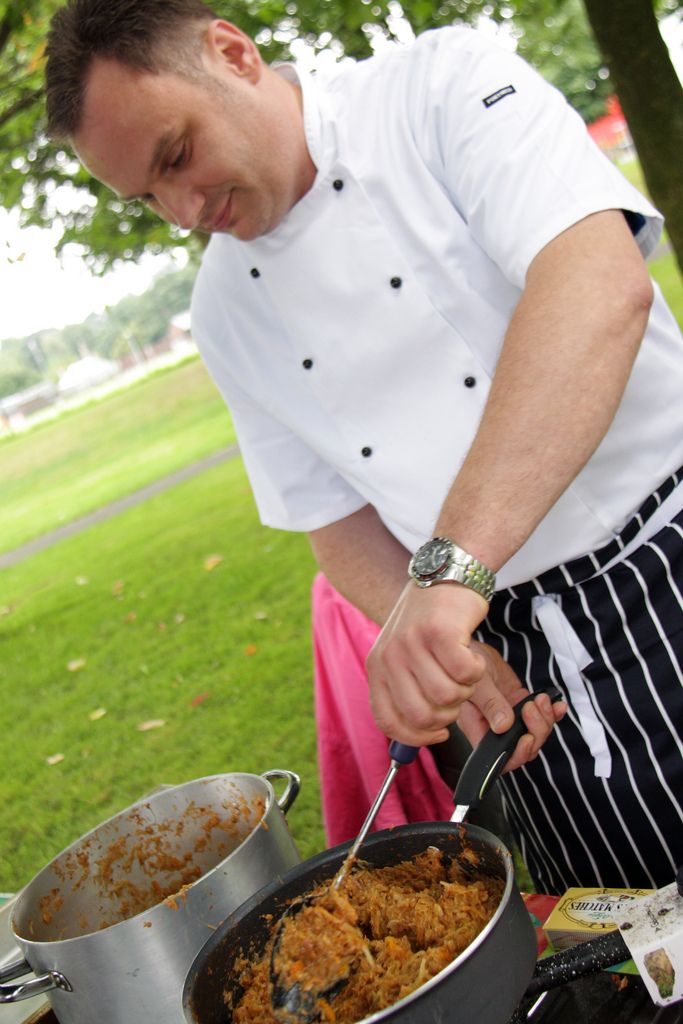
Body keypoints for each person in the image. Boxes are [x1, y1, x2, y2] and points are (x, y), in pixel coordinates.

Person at [44, 0, 683, 895]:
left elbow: (595, 288)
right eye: (147, 198)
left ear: (231, 53)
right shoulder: (224, 313)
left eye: (177, 156)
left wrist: (444, 580)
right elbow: (331, 516)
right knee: (617, 926)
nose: (184, 211)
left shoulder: (438, 87)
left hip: (667, 556)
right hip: (515, 669)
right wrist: (428, 646)